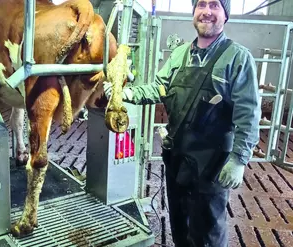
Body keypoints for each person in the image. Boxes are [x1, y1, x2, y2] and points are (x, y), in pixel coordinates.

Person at [103, 0, 261, 246]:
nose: (206, 11)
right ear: (194, 12)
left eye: (215, 5)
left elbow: (248, 113)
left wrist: (239, 159)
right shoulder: (179, 54)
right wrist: (126, 94)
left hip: (212, 163)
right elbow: (160, 88)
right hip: (178, 157)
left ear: (225, 15)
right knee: (179, 224)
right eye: (201, 5)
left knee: (207, 231)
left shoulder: (237, 58)